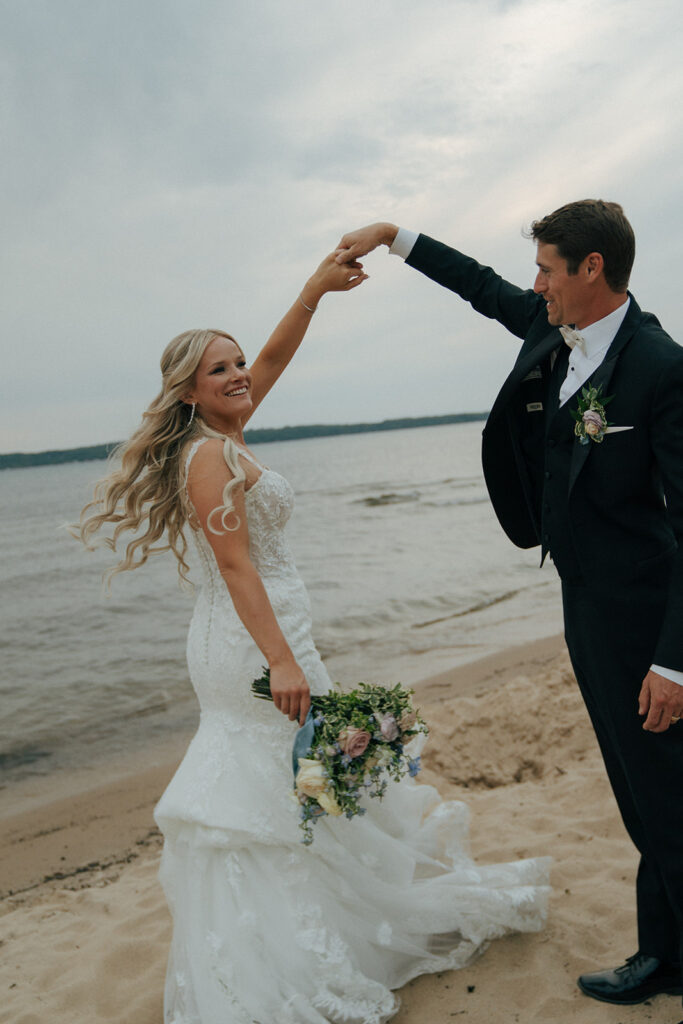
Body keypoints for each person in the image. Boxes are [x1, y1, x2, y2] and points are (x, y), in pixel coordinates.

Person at [75, 249, 550, 1024]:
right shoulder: (206, 457)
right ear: (188, 392)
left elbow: (271, 358)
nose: (237, 376)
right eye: (217, 370)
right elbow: (234, 569)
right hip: (250, 647)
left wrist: (312, 294)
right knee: (269, 792)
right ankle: (278, 963)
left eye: (235, 364)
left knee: (298, 787)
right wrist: (283, 660)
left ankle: (324, 932)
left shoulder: (225, 437)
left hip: (265, 636)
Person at [336, 202, 683, 1010]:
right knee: (638, 793)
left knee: (667, 796)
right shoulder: (548, 327)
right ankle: (666, 954)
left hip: (646, 619)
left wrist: (673, 660)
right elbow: (478, 287)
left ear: (589, 269)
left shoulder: (659, 367)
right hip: (584, 607)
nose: (536, 285)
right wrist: (395, 238)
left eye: (547, 269)